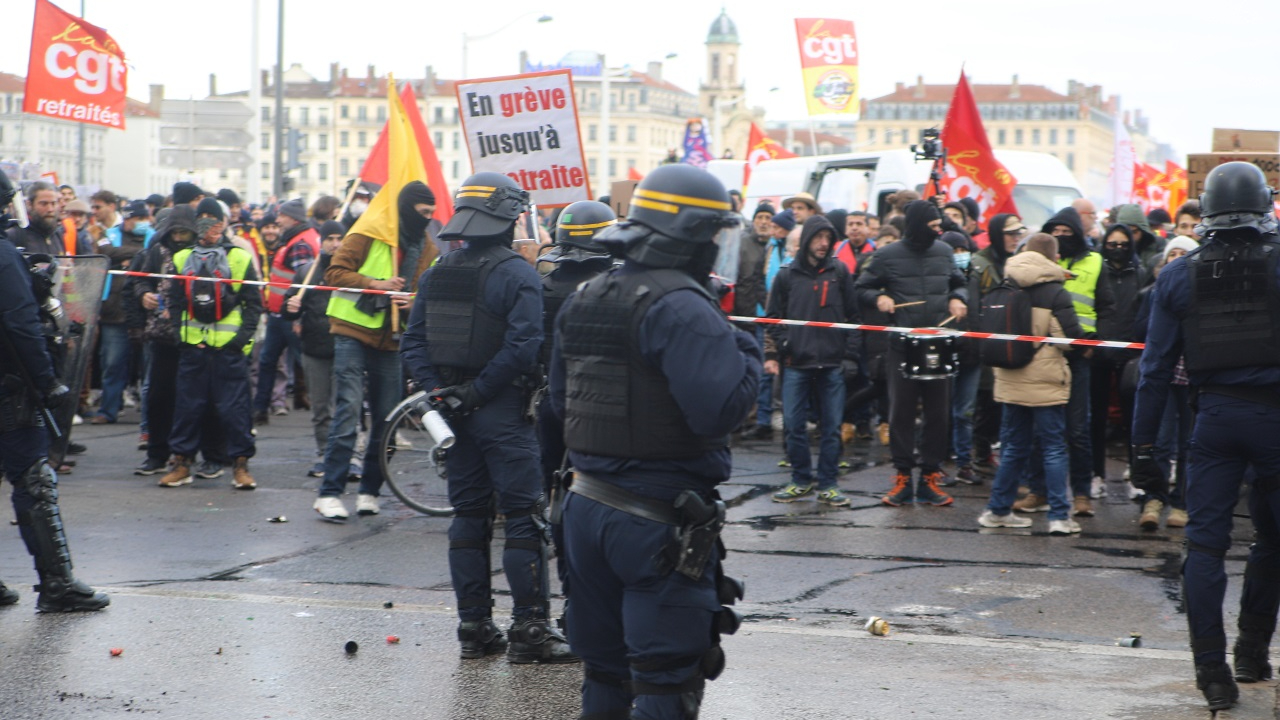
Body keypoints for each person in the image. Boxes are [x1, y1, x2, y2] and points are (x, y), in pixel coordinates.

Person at [550, 164, 759, 718]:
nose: (718, 246)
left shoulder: (589, 293)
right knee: (666, 679)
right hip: (655, 520)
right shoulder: (683, 306)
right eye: (715, 233)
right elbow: (720, 409)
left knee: (606, 672)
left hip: (586, 508)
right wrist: (750, 354)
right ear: (690, 233)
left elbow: (558, 403)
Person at [401, 173, 573, 663]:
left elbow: (412, 344)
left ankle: (474, 627)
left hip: (452, 413)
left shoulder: (438, 271)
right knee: (523, 516)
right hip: (499, 409)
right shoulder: (518, 273)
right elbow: (522, 348)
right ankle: (530, 631)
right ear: (508, 216)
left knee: (469, 516)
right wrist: (477, 393)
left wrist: (441, 393)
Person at [1130, 162, 1280, 711]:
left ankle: (1213, 674)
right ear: (1265, 204)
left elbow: (1153, 370)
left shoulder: (1177, 274)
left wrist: (1143, 449)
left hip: (1214, 422)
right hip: (1274, 421)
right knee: (1272, 540)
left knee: (1205, 548)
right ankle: (1251, 650)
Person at [0, 177, 110, 612]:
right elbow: (21, 324)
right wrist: (47, 382)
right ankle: (57, 584)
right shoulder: (4, 254)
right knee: (33, 479)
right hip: (10, 386)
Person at [314, 181, 436, 520]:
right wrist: (375, 284)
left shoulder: (427, 247)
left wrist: (410, 302)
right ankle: (330, 492)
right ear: (406, 207)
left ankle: (370, 490)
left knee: (387, 421)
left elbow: (425, 293)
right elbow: (334, 271)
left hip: (391, 339)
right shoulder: (367, 232)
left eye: (431, 214)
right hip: (351, 332)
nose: (426, 219)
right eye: (422, 212)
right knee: (348, 411)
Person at [855, 200, 969, 506]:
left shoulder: (945, 252)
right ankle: (903, 478)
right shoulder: (886, 255)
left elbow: (961, 283)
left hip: (939, 343)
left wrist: (958, 298)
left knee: (938, 415)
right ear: (918, 225)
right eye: (933, 226)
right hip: (902, 345)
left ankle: (930, 479)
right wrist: (879, 297)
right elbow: (861, 287)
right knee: (901, 414)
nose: (939, 230)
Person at [978, 233, 1086, 535]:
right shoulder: (1055, 291)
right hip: (1045, 380)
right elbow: (1069, 338)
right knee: (1053, 448)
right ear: (1054, 257)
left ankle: (997, 511)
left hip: (1010, 377)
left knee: (1012, 448)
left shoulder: (1006, 281)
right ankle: (1060, 517)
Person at [158, 199, 261, 490]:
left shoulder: (239, 258)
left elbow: (254, 304)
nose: (209, 226)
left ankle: (241, 466)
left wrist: (240, 341)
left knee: (235, 410)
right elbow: (176, 301)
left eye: (214, 220)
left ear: (223, 223)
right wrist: (180, 334)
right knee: (187, 409)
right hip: (194, 349)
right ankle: (181, 463)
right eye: (202, 220)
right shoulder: (182, 259)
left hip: (228, 350)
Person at [1016, 206, 1112, 517]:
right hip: (1041, 355)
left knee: (1077, 429)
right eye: (1054, 232)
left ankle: (1081, 494)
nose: (1060, 236)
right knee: (1038, 430)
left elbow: (1108, 308)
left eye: (1066, 232)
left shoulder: (1096, 262)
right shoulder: (1035, 266)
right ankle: (1038, 490)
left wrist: (1093, 345)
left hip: (1079, 357)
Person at [126, 206, 229, 477]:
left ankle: (211, 456)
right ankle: (157, 454)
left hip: (197, 336)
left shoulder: (208, 253)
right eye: (176, 232)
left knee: (204, 401)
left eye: (185, 232)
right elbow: (138, 282)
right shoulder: (154, 252)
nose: (180, 237)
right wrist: (143, 295)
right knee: (160, 397)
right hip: (163, 336)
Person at [766, 215, 858, 506]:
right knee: (794, 425)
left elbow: (855, 320)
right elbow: (772, 319)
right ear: (806, 239)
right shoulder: (786, 275)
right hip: (796, 363)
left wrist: (850, 357)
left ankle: (829, 484)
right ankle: (801, 480)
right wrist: (782, 346)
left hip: (832, 365)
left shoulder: (840, 272)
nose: (823, 244)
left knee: (831, 428)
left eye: (827, 239)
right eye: (818, 238)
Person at [1133, 236, 1199, 530]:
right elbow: (1141, 330)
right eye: (1171, 253)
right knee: (1160, 440)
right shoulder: (1154, 291)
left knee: (1190, 441)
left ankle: (1182, 502)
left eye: (1182, 253)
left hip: (1192, 377)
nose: (1176, 257)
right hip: (1164, 377)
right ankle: (1154, 498)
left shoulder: (1198, 288)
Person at [1088, 223, 1149, 494]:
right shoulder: (1097, 270)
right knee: (1096, 418)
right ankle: (1095, 474)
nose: (1118, 249)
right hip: (1099, 352)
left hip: (1130, 353)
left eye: (1123, 244)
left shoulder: (1140, 273)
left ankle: (1136, 475)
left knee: (1133, 419)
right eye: (1112, 244)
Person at [283, 221, 344, 477]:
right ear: (321, 241)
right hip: (315, 349)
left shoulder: (351, 271)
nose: (335, 243)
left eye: (339, 238)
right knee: (320, 408)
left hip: (345, 347)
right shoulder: (306, 273)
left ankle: (350, 456)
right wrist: (291, 305)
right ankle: (324, 454)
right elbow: (286, 309)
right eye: (329, 238)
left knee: (347, 406)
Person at [252, 198, 319, 425]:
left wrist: (298, 316)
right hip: (280, 315)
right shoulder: (297, 239)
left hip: (289, 317)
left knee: (305, 362)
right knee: (269, 360)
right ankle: (260, 408)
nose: (277, 220)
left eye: (281, 216)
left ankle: (323, 409)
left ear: (292, 218)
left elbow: (304, 282)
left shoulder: (299, 244)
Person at [90, 200, 153, 424]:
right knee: (112, 364)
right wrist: (138, 255)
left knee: (149, 367)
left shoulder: (153, 236)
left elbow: (152, 254)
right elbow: (105, 251)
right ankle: (108, 410)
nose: (134, 223)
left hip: (144, 314)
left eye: (138, 219)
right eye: (130, 219)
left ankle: (150, 414)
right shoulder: (109, 234)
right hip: (113, 312)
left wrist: (128, 259)